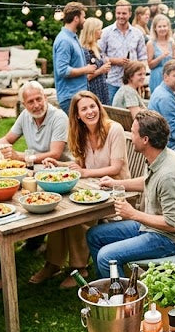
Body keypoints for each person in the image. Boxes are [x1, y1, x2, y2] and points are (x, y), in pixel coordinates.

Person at [36, 91, 130, 287]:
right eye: (84, 109)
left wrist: (85, 173)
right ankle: (53, 263)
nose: (90, 112)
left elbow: (116, 168)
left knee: (76, 217)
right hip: (93, 190)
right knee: (58, 211)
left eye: (92, 106)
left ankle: (80, 268)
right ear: (77, 115)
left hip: (117, 192)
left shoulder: (114, 129)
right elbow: (78, 165)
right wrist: (58, 164)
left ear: (99, 107)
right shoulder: (83, 132)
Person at [86, 110, 175, 277]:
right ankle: (107, 288)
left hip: (167, 239)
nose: (131, 136)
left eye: (133, 133)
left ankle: (126, 300)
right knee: (94, 235)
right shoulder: (158, 156)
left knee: (107, 256)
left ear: (145, 139)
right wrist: (116, 183)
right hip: (149, 226)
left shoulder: (169, 174)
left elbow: (174, 224)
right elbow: (148, 182)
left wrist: (133, 214)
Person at [0, 81, 67, 166]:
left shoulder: (59, 117)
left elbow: (55, 154)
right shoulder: (25, 115)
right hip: (35, 167)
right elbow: (7, 140)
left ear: (45, 98)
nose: (36, 105)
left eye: (39, 99)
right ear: (24, 105)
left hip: (61, 169)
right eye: (31, 102)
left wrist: (21, 157)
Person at [100, 0, 148, 100]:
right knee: (112, 112)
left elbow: (143, 57)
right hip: (113, 82)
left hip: (132, 83)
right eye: (118, 13)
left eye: (124, 13)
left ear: (130, 14)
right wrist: (114, 61)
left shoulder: (137, 33)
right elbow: (99, 56)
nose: (121, 16)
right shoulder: (106, 32)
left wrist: (135, 65)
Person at [52, 1, 94, 114]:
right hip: (70, 97)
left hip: (78, 95)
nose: (84, 20)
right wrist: (86, 69)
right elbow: (62, 70)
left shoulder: (72, 38)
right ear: (76, 18)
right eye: (83, 17)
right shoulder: (64, 40)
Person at [80, 16, 112, 105]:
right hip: (93, 91)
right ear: (92, 31)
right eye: (99, 29)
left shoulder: (97, 48)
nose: (101, 31)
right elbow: (86, 77)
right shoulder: (85, 51)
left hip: (102, 89)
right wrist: (101, 70)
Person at [147, 13, 175, 94]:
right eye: (159, 26)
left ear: (168, 27)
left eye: (164, 26)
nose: (162, 29)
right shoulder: (151, 43)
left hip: (170, 76)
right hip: (157, 76)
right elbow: (150, 65)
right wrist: (161, 57)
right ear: (155, 28)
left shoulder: (171, 42)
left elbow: (174, 62)